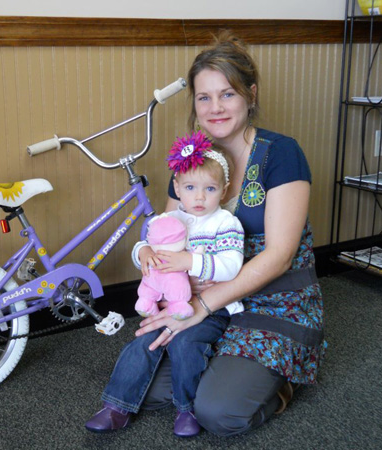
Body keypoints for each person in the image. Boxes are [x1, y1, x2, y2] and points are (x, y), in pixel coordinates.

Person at [86, 30, 326, 437]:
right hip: (205, 301)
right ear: (194, 104)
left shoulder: (280, 153)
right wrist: (162, 279)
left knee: (217, 413)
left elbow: (280, 255)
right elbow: (167, 236)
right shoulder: (190, 162)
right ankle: (224, 360)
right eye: (204, 97)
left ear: (250, 95)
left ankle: (284, 379)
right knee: (144, 387)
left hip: (274, 302)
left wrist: (202, 305)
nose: (215, 108)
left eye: (227, 94)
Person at [85, 132, 245, 437]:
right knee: (142, 342)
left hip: (214, 307)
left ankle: (187, 409)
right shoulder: (170, 219)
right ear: (177, 189)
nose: (199, 198)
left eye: (209, 189)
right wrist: (142, 251)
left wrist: (190, 262)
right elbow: (146, 245)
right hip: (172, 303)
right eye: (190, 188)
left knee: (185, 342)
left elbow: (232, 265)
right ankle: (115, 406)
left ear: (223, 192)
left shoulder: (226, 223)